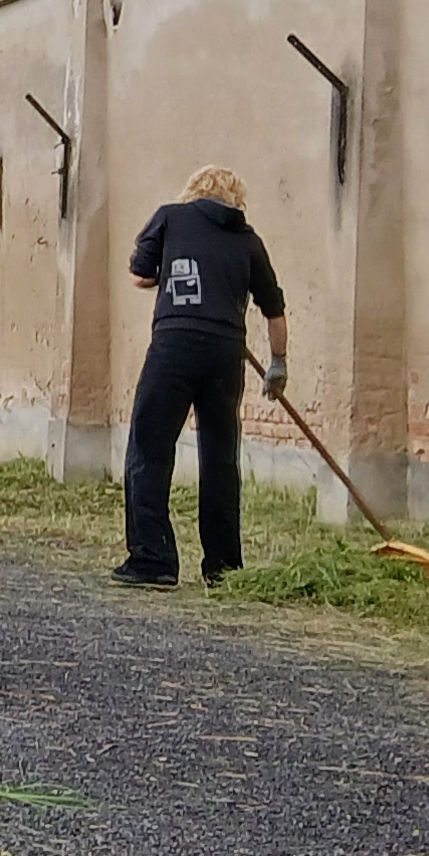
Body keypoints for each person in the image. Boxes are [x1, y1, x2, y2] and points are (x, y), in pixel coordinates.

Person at [115, 165, 288, 588]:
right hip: (225, 353)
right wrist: (278, 363)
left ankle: (153, 559)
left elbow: (140, 273)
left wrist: (176, 273)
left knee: (149, 447)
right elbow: (274, 310)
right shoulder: (249, 241)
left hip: (174, 346)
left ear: (193, 190)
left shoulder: (170, 217)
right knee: (220, 458)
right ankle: (223, 568)